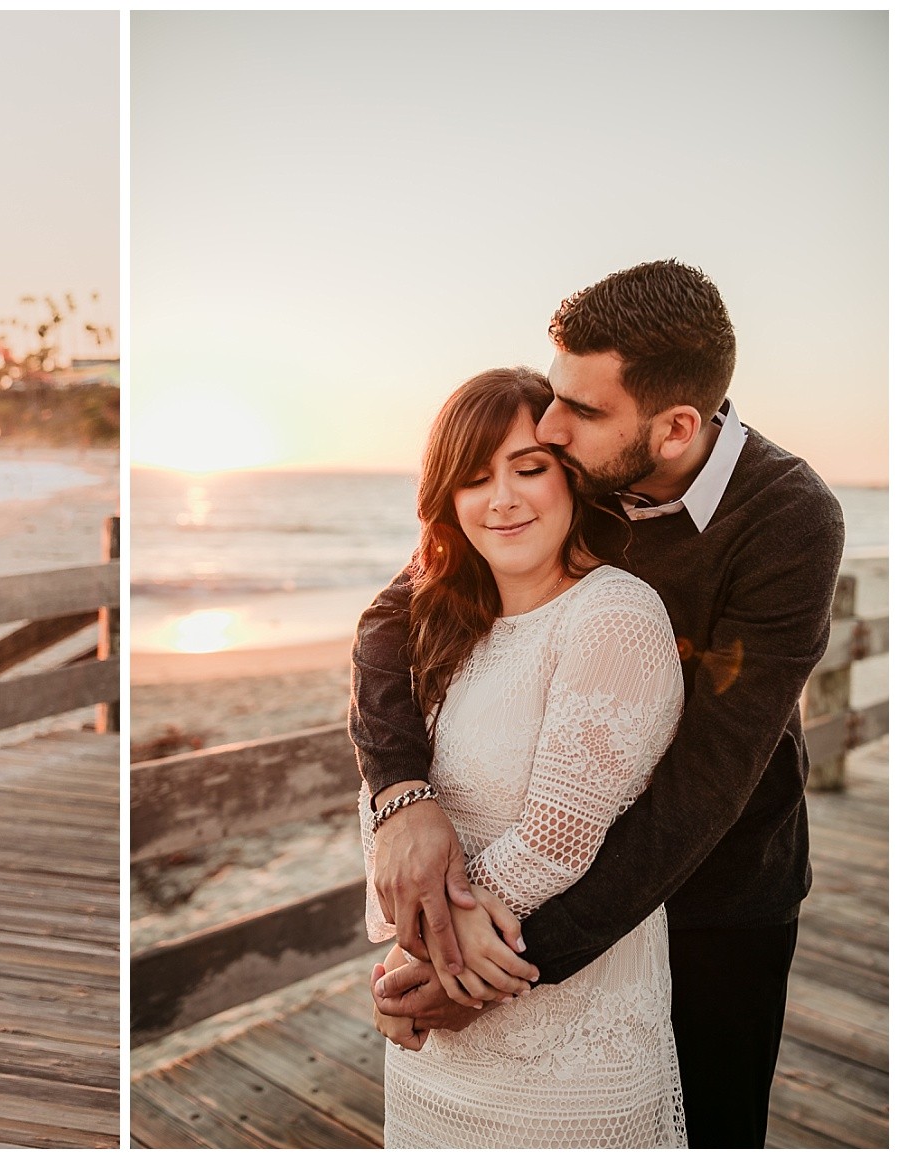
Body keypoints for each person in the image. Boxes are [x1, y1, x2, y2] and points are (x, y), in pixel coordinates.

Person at [354, 261, 845, 1147]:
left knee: (715, 1126)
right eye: (557, 395)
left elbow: (708, 779)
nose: (548, 423)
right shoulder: (572, 472)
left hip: (720, 888)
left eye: (580, 409)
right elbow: (394, 617)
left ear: (675, 428)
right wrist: (401, 796)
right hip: (544, 881)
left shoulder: (789, 517)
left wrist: (489, 964)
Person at [358, 367, 685, 1145]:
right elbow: (392, 819)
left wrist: (440, 964)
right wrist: (410, 959)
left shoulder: (615, 615)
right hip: (438, 1057)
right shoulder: (437, 624)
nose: (501, 498)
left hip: (565, 1052)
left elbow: (556, 837)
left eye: (527, 468)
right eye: (473, 479)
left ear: (571, 476)